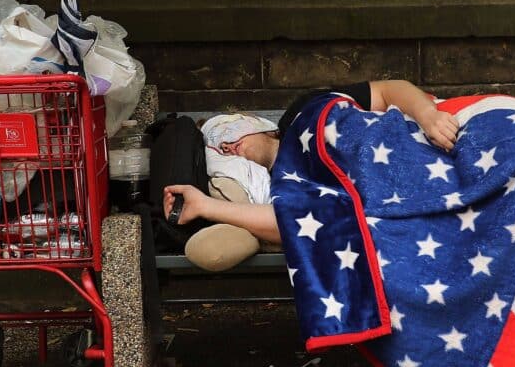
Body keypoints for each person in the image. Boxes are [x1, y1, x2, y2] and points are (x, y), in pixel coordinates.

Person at [163, 80, 459, 245]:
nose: (226, 144)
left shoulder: (302, 110)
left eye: (227, 129)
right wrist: (204, 205)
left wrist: (427, 114)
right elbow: (291, 222)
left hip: (432, 146)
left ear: (258, 123)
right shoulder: (282, 184)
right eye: (218, 148)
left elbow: (388, 90)